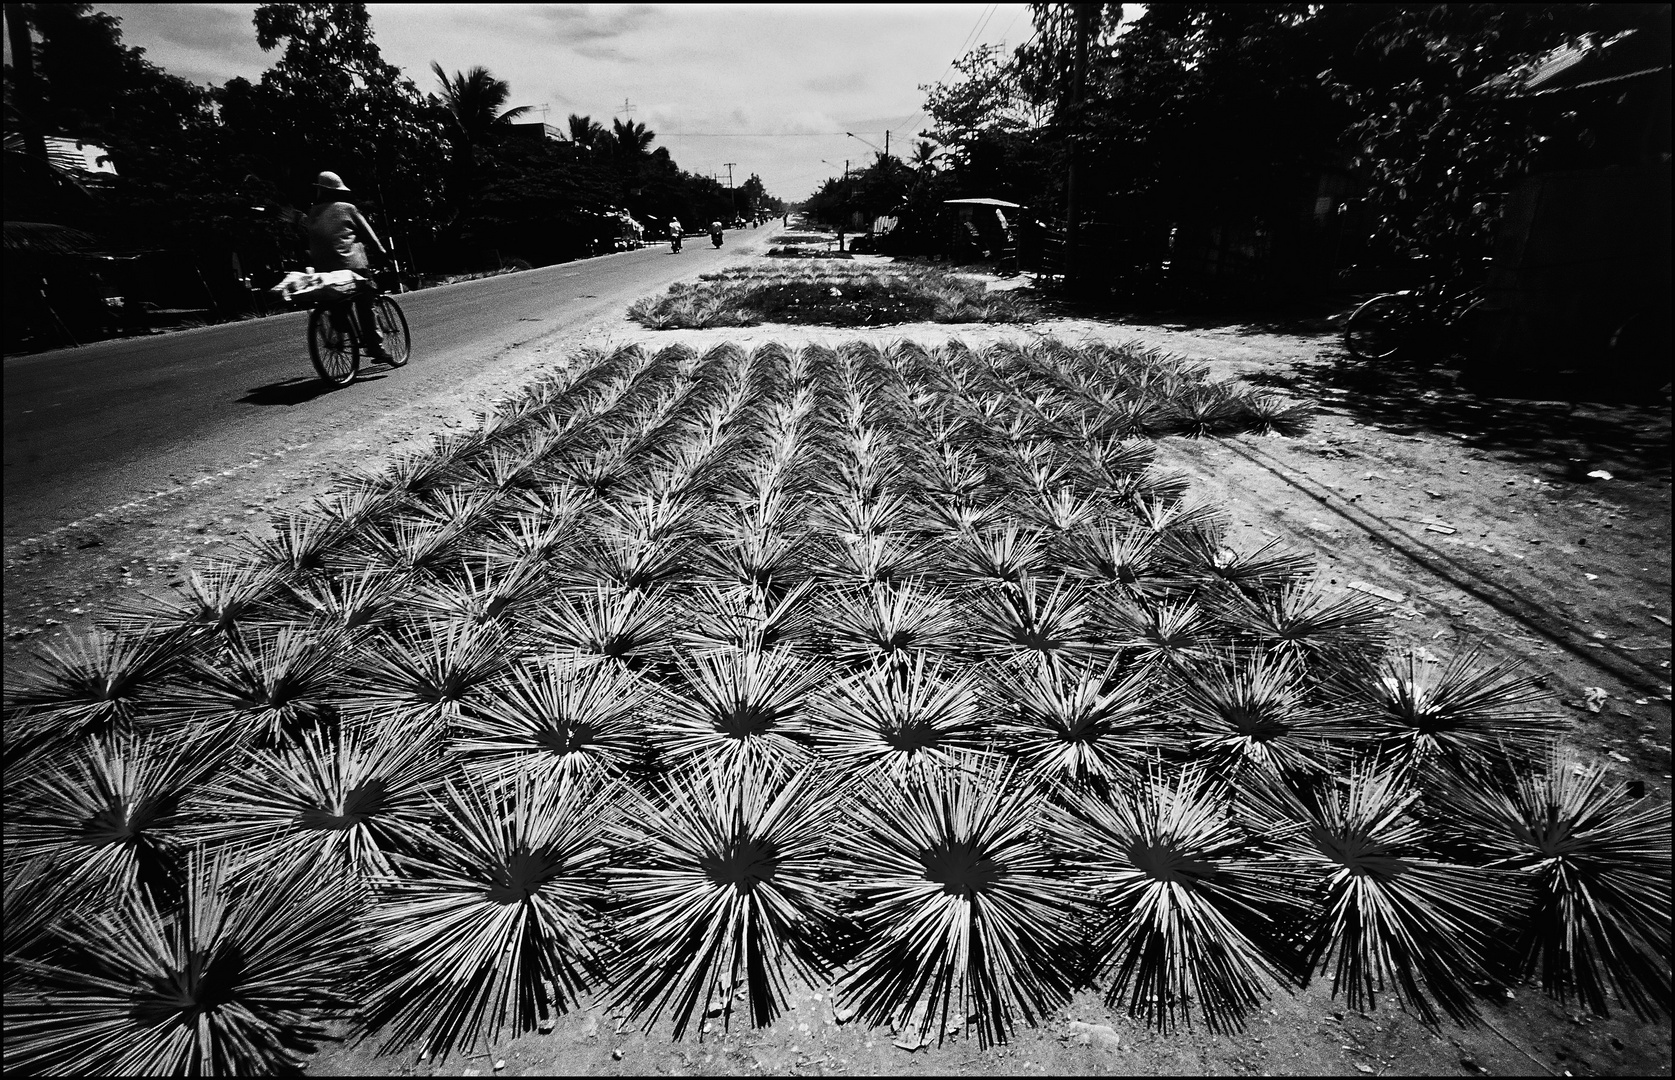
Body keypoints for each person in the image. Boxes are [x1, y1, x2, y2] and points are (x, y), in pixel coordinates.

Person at [303, 171, 392, 362]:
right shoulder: (348, 208)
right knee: (366, 299)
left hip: (323, 270)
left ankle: (339, 318)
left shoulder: (312, 213)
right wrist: (384, 255)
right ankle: (375, 347)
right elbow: (370, 237)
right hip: (351, 267)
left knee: (339, 300)